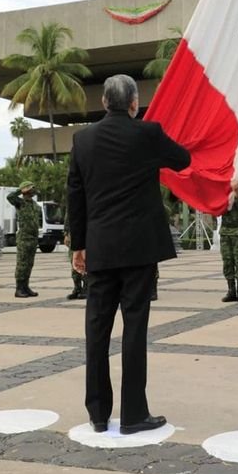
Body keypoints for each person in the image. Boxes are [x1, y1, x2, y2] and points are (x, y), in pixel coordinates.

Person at [67, 74, 190, 435]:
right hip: (138, 249)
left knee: (96, 330)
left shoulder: (82, 139)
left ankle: (98, 413)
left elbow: (75, 194)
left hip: (100, 249)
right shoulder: (148, 134)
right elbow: (182, 160)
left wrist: (79, 245)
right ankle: (135, 414)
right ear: (134, 103)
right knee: (134, 330)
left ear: (105, 102)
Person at [7, 181, 42, 298]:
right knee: (22, 263)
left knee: (29, 264)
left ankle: (26, 286)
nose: (34, 190)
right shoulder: (20, 203)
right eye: (31, 188)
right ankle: (19, 288)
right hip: (24, 238)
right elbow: (10, 197)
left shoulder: (36, 206)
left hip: (33, 238)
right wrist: (20, 189)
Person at [219, 190, 238, 302]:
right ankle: (231, 291)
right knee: (227, 261)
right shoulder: (224, 190)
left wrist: (236, 197)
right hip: (225, 233)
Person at [64, 211, 87, 301]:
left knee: (85, 261)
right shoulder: (72, 200)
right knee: (73, 263)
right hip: (73, 235)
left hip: (85, 232)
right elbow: (68, 216)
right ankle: (77, 288)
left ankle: (86, 288)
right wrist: (66, 233)